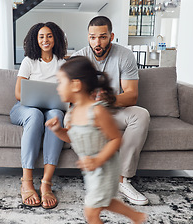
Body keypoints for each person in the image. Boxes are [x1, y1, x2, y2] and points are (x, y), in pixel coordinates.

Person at [45, 56, 146, 224]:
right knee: (104, 202)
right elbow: (71, 137)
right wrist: (57, 130)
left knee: (91, 212)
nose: (57, 88)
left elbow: (115, 139)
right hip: (91, 169)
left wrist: (98, 160)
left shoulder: (97, 111)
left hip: (104, 166)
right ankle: (136, 216)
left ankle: (136, 216)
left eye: (60, 82)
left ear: (76, 85)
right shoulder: (72, 114)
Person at [71, 16, 150, 206]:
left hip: (114, 110)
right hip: (88, 113)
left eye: (102, 37)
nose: (97, 43)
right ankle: (96, 177)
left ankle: (122, 179)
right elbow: (72, 97)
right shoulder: (79, 58)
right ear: (88, 37)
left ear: (111, 36)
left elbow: (131, 95)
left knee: (141, 115)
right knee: (70, 118)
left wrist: (108, 99)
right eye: (92, 37)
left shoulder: (125, 55)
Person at [10, 22, 67, 209]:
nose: (45, 40)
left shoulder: (62, 63)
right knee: (35, 115)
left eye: (49, 36)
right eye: (41, 36)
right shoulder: (29, 61)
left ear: (55, 38)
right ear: (36, 39)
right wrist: (35, 101)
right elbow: (19, 93)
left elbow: (67, 92)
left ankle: (46, 183)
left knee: (56, 116)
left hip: (52, 108)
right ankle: (26, 182)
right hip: (25, 108)